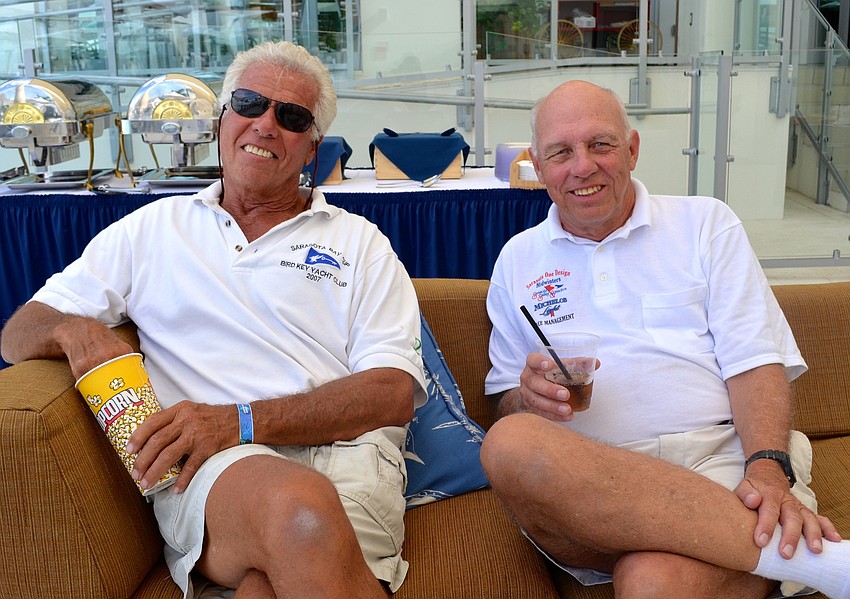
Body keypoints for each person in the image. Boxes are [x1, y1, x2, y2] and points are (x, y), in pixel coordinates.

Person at [0, 41, 426, 599]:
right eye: (250, 103)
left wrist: (241, 419)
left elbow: (392, 393)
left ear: (311, 150)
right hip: (214, 465)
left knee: (261, 589)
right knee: (299, 513)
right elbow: (18, 332)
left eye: (292, 116)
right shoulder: (151, 229)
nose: (266, 125)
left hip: (346, 456)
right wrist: (71, 327)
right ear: (223, 119)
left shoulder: (360, 243)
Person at [480, 80, 850, 599]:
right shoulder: (517, 260)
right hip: (594, 485)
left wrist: (766, 468)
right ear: (538, 170)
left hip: (717, 459)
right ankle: (814, 562)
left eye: (600, 145)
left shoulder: (705, 224)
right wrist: (527, 398)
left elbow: (755, 360)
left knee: (650, 586)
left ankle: (825, 567)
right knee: (510, 442)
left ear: (631, 149)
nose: (582, 167)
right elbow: (503, 403)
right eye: (561, 153)